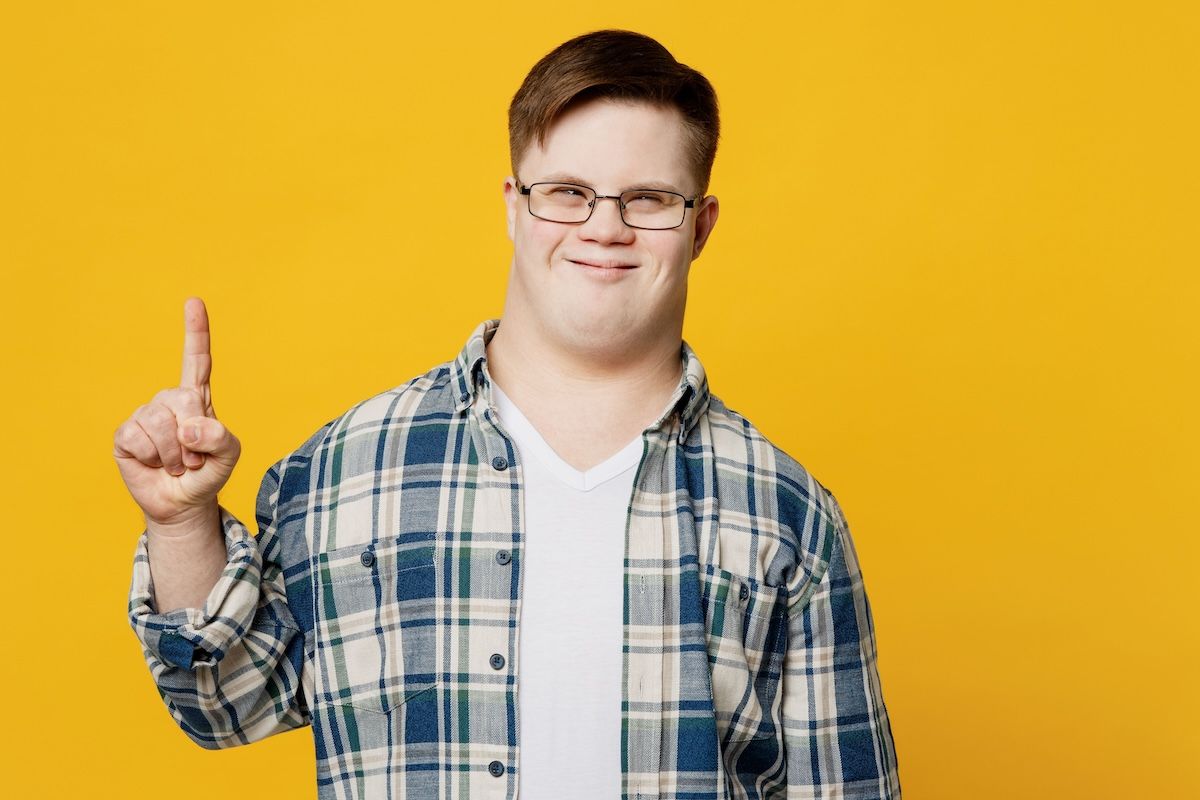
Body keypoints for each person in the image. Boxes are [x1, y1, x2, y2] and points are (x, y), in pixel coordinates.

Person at [115, 29, 901, 799]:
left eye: (650, 199)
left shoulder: (787, 512)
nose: (605, 227)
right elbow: (226, 706)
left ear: (699, 226)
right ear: (514, 206)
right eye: (567, 192)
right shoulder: (345, 470)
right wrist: (183, 527)